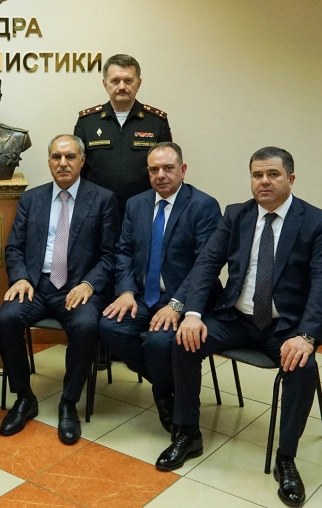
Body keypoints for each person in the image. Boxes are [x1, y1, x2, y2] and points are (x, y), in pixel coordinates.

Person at [157, 147, 322, 508]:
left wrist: (306, 336)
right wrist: (192, 313)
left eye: (272, 174)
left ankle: (286, 459)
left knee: (303, 367)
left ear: (290, 178)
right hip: (235, 318)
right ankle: (188, 433)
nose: (264, 182)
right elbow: (207, 264)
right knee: (183, 341)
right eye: (257, 175)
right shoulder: (236, 215)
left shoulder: (317, 222)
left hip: (284, 327)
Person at [0, 134, 119, 444]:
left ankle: (69, 402)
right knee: (6, 318)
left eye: (69, 157)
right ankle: (24, 397)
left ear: (82, 160)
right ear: (49, 161)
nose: (62, 163)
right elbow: (14, 247)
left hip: (78, 288)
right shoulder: (31, 199)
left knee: (85, 325)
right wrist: (20, 278)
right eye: (56, 157)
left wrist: (89, 284)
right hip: (36, 286)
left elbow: (110, 255)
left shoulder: (103, 199)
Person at [98, 142, 220, 434]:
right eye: (154, 170)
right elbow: (123, 252)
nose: (161, 175)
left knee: (160, 342)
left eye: (168, 168)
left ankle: (167, 398)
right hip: (144, 295)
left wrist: (177, 305)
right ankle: (167, 388)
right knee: (109, 327)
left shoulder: (203, 205)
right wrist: (126, 291)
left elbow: (205, 265)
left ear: (183, 170)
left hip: (184, 298)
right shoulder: (136, 204)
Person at [73, 54, 172, 216]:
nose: (122, 87)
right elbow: (78, 170)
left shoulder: (156, 122)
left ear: (138, 84)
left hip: (144, 209)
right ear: (105, 84)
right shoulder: (87, 122)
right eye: (115, 81)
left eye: (128, 80)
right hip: (96, 210)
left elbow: (168, 170)